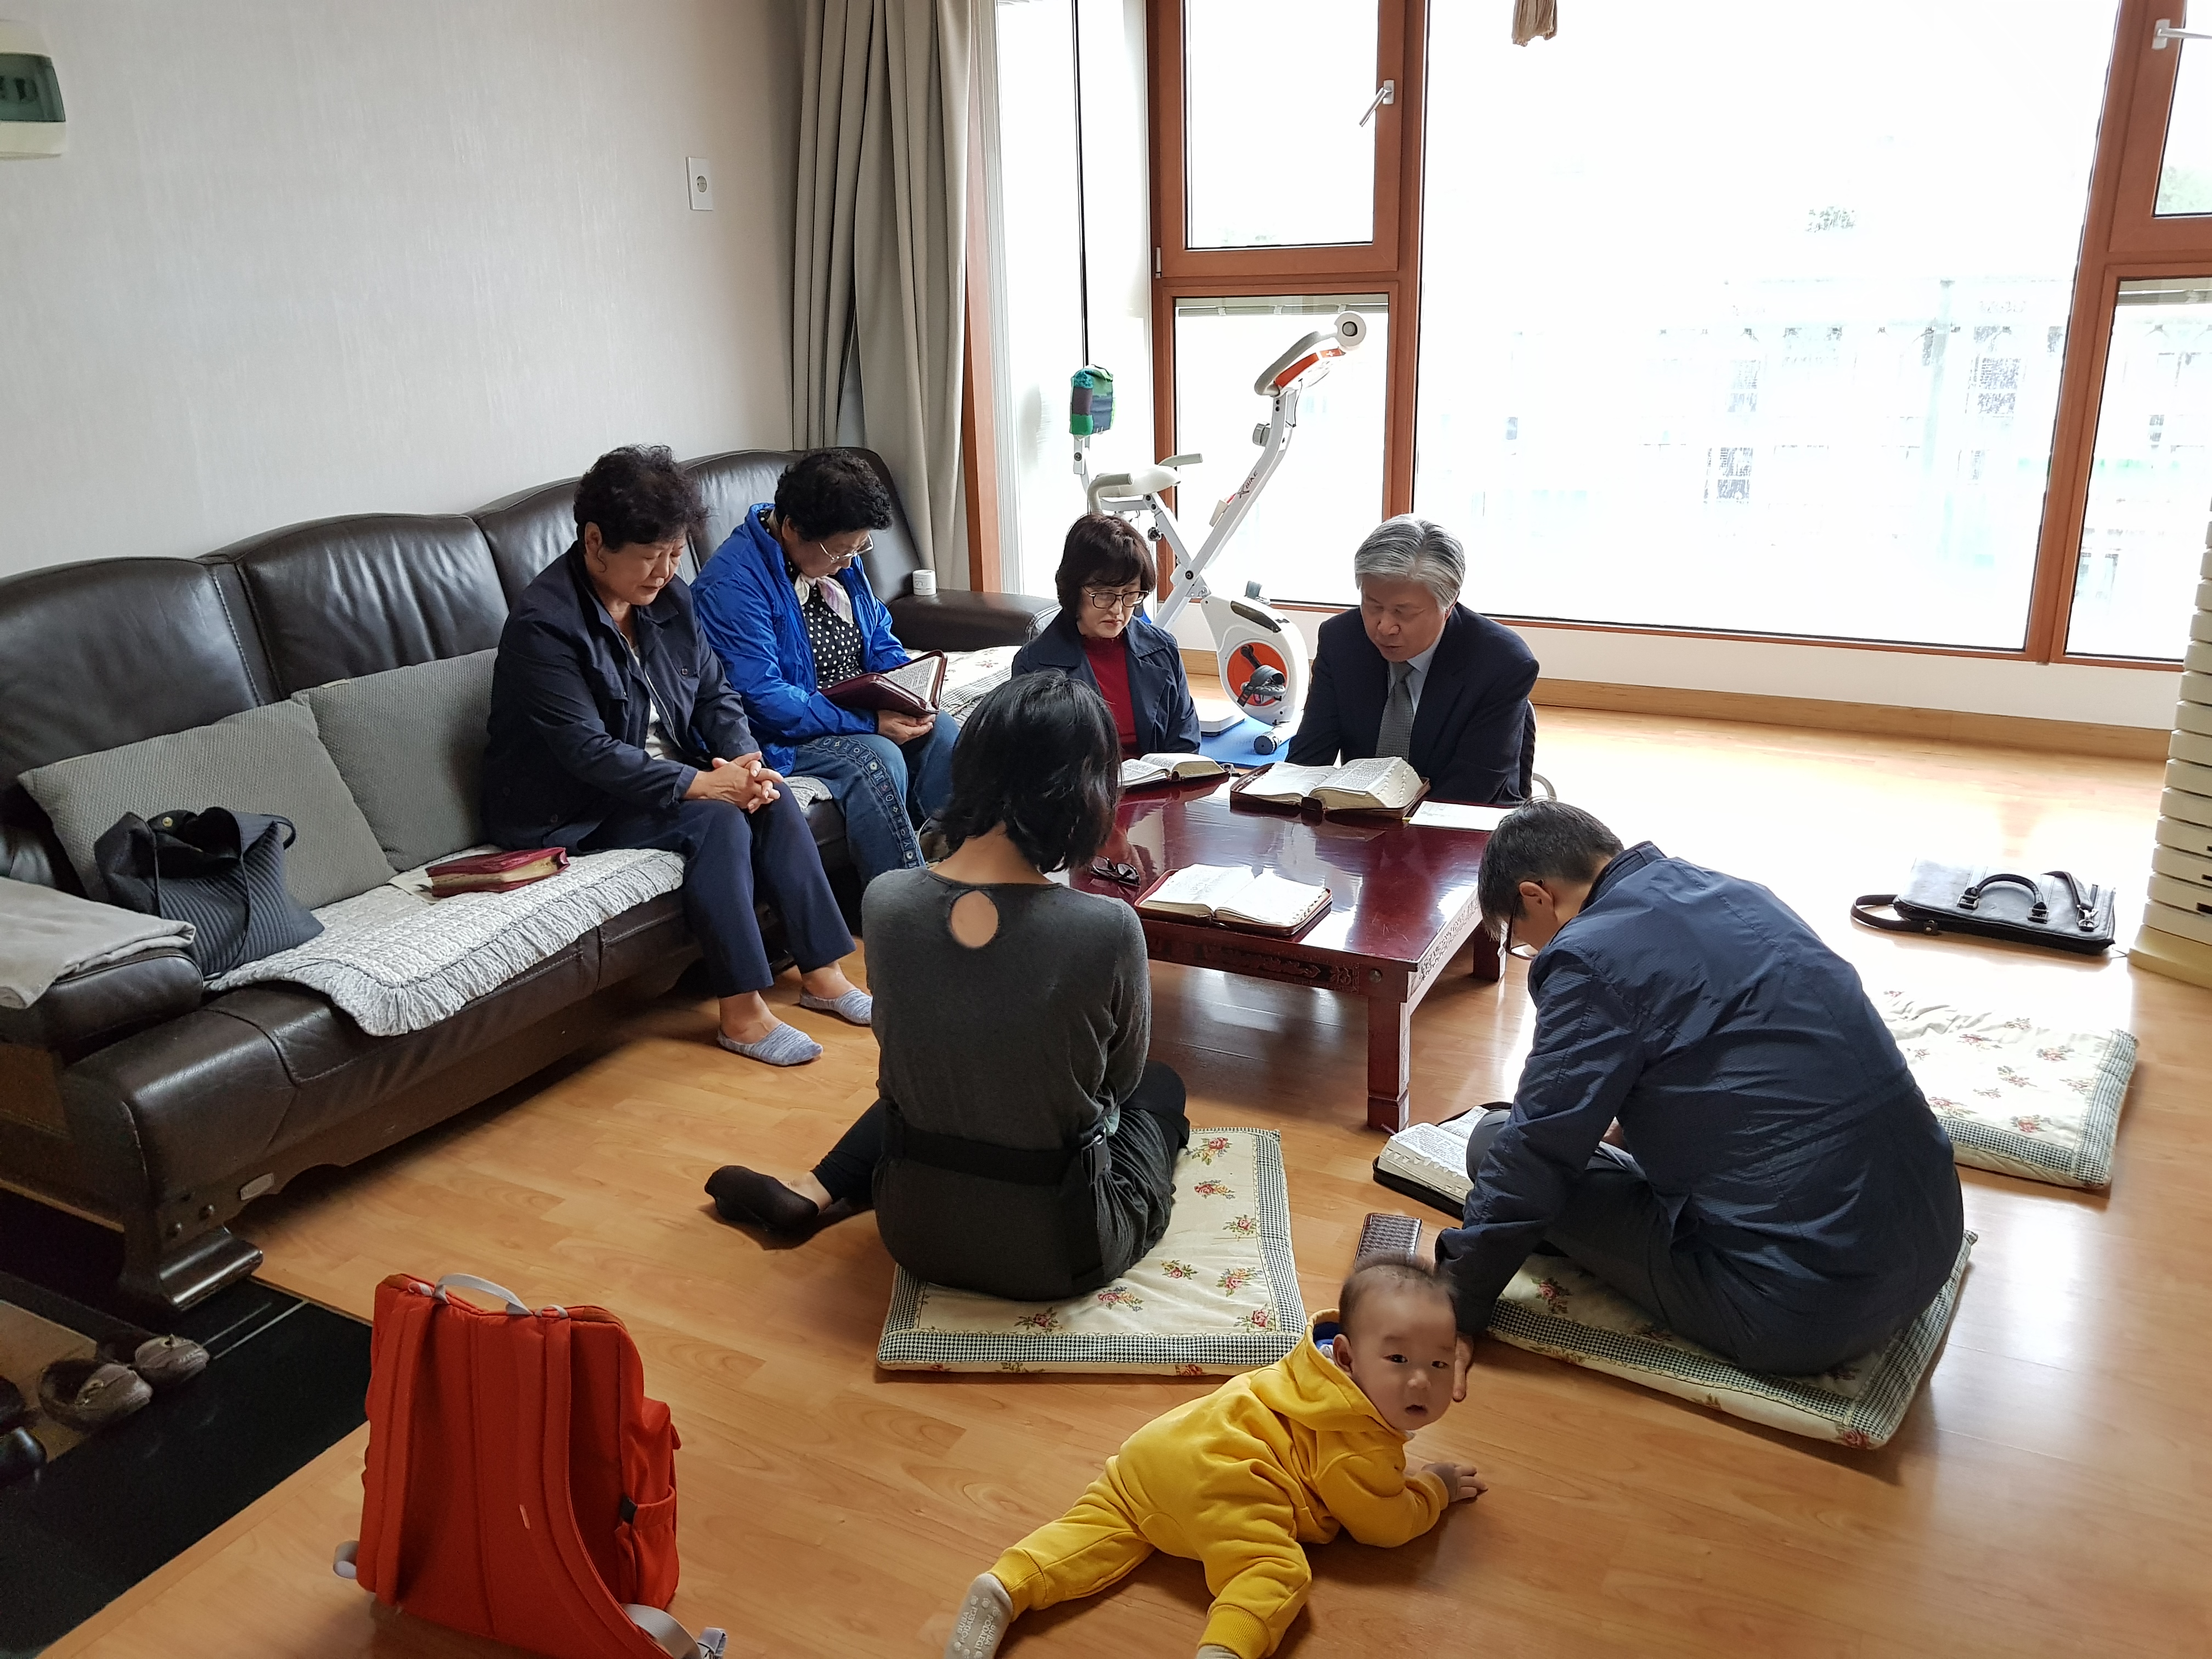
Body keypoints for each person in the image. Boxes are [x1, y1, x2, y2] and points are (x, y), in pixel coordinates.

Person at [701, 670, 1190, 1299]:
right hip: (1065, 1251)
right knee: (1159, 1086)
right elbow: (1116, 1085)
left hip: (912, 1232)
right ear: (1086, 793)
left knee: (942, 1076)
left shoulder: (886, 901)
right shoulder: (1108, 926)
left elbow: (901, 1046)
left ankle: (816, 1189)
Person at [1434, 800, 1966, 1376]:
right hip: (1932, 1238)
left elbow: (1538, 1149)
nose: (1533, 953)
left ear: (1537, 896)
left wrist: (1453, 1304)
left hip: (1802, 1307)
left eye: (1522, 941)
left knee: (1494, 1143)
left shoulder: (1588, 957)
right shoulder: (1738, 894)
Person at [482, 445, 870, 1068]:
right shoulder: (544, 626)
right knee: (717, 820)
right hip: (574, 804)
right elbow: (588, 751)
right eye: (650, 556)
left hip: (659, 775)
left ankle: (823, 975)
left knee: (769, 796)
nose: (665, 571)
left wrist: (744, 762)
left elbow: (715, 692)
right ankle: (742, 1015)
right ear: (595, 541)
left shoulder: (669, 597)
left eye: (676, 553)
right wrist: (701, 786)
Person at [941, 1261, 1486, 1659]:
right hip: (1230, 1485)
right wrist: (1433, 1489)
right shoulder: (1361, 1445)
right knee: (1272, 1570)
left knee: (1098, 1525)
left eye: (1440, 1364)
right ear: (1347, 1356)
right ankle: (1226, 1649)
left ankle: (1006, 1585)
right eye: (1398, 1359)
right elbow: (1382, 1525)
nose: (1421, 1381)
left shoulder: (1305, 1369)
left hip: (1154, 1454)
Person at [689, 449, 957, 888]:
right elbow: (763, 699)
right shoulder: (732, 585)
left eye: (859, 548)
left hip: (850, 706)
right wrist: (869, 721)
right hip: (781, 732)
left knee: (940, 729)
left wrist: (908, 691)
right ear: (792, 528)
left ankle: (962, 873)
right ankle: (903, 905)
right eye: (841, 551)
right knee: (877, 756)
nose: (850, 562)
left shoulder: (836, 559)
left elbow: (877, 635)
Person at [1287, 515, 1538, 804]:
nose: (1384, 627)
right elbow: (1307, 760)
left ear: (1449, 605)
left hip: (1461, 816)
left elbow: (1473, 787)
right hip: (1359, 817)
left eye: (1404, 612)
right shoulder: (1341, 640)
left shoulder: (1501, 663)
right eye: (1373, 605)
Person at [1012, 513, 1200, 758]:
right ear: (1073, 589)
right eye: (1104, 594)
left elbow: (1185, 745)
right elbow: (1035, 761)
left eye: (1130, 594)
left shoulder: (1163, 649)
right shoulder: (1034, 663)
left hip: (1159, 783)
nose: (1118, 610)